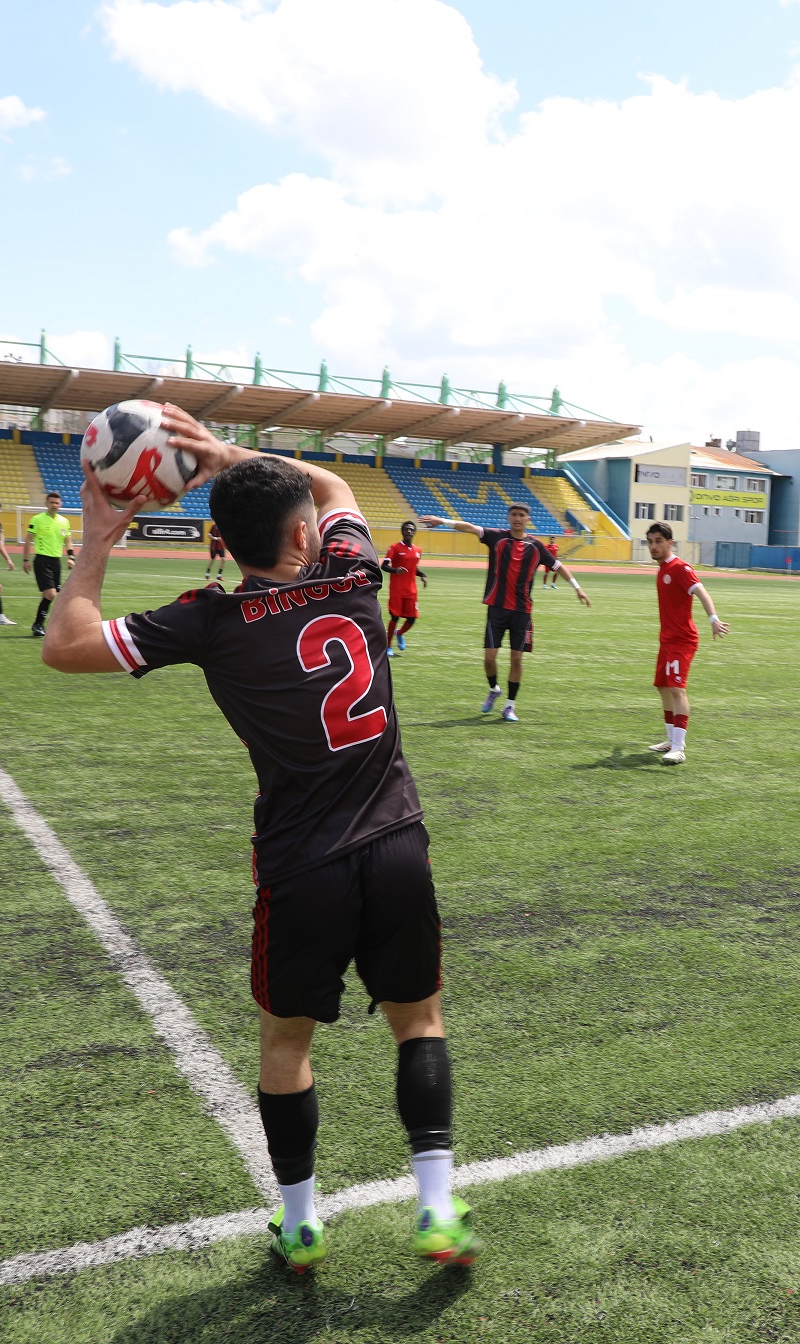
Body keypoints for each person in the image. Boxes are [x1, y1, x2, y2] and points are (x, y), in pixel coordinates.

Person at [41, 404, 479, 1274]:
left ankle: (302, 1222)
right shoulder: (355, 571)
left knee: (287, 1045)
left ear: (222, 539)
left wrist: (98, 536)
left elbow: (66, 645)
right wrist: (224, 453)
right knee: (419, 1021)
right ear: (306, 531)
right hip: (396, 843)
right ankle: (435, 1208)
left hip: (300, 863)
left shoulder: (209, 620)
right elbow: (332, 484)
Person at [418, 504, 591, 721]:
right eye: (514, 515)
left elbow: (558, 566)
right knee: (489, 658)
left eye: (521, 515)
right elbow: (470, 527)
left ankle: (510, 706)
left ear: (528, 519)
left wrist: (578, 588)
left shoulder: (536, 546)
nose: (517, 518)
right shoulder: (496, 537)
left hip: (522, 611)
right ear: (509, 518)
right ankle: (494, 689)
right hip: (497, 609)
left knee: (516, 659)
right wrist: (442, 521)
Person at [642, 522, 727, 765]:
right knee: (662, 686)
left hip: (682, 640)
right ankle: (671, 739)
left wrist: (713, 618)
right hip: (667, 640)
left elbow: (702, 591)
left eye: (658, 541)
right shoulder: (662, 569)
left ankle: (679, 747)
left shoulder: (680, 568)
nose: (653, 546)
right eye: (650, 541)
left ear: (670, 543)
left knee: (677, 689)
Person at [24, 492, 76, 638]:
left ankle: (42, 624)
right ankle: (37, 625)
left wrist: (71, 556)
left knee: (51, 595)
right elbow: (28, 539)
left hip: (56, 562)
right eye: (51, 502)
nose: (54, 505)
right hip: (42, 560)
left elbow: (68, 540)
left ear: (60, 504)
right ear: (46, 503)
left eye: (56, 503)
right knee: (50, 594)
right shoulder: (37, 519)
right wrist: (25, 560)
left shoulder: (64, 521)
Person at [382, 520, 428, 656]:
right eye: (407, 529)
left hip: (411, 591)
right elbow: (384, 566)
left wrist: (422, 575)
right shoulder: (394, 548)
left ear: (414, 532)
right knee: (395, 617)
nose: (409, 531)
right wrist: (395, 570)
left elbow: (413, 569)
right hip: (397, 589)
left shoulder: (418, 550)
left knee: (412, 619)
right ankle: (388, 646)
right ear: (402, 532)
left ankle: (399, 633)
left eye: (412, 530)